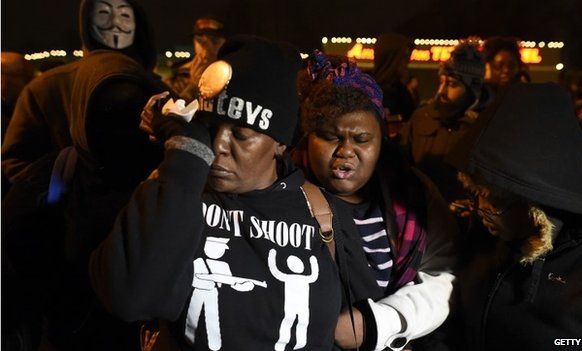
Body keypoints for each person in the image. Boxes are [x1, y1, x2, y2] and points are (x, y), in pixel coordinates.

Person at [89, 36, 380, 351]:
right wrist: (185, 152)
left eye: (241, 135)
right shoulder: (180, 193)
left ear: (280, 143)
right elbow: (133, 298)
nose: (218, 147)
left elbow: (357, 325)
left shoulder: (321, 211)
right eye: (210, 129)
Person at [297, 50, 458, 350]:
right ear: (307, 138)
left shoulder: (413, 194)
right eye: (331, 137)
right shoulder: (285, 195)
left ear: (382, 141)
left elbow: (442, 273)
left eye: (361, 139)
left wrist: (379, 322)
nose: (345, 151)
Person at [3, 50, 163, 350]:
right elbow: (17, 273)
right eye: (106, 112)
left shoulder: (170, 173)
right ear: (81, 110)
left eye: (132, 109)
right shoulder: (52, 176)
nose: (121, 124)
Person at [444, 83, 582, 350]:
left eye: (496, 200)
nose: (481, 210)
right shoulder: (482, 239)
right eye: (475, 193)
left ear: (537, 205)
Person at [2, 0, 159, 183]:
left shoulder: (157, 88)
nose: (115, 22)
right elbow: (15, 161)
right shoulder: (45, 88)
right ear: (87, 22)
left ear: (137, 24)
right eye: (103, 14)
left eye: (124, 15)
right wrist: (66, 188)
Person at [400, 41, 490, 203]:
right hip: (423, 215)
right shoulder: (422, 116)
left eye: (452, 84)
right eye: (441, 82)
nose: (441, 91)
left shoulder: (484, 125)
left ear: (472, 89)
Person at [165, 16, 227, 100]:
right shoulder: (177, 78)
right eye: (201, 41)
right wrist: (194, 86)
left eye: (214, 41)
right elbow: (170, 110)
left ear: (224, 43)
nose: (206, 48)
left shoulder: (230, 75)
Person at [372, 33, 417, 126]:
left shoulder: (402, 92)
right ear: (391, 59)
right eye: (404, 57)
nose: (408, 62)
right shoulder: (364, 90)